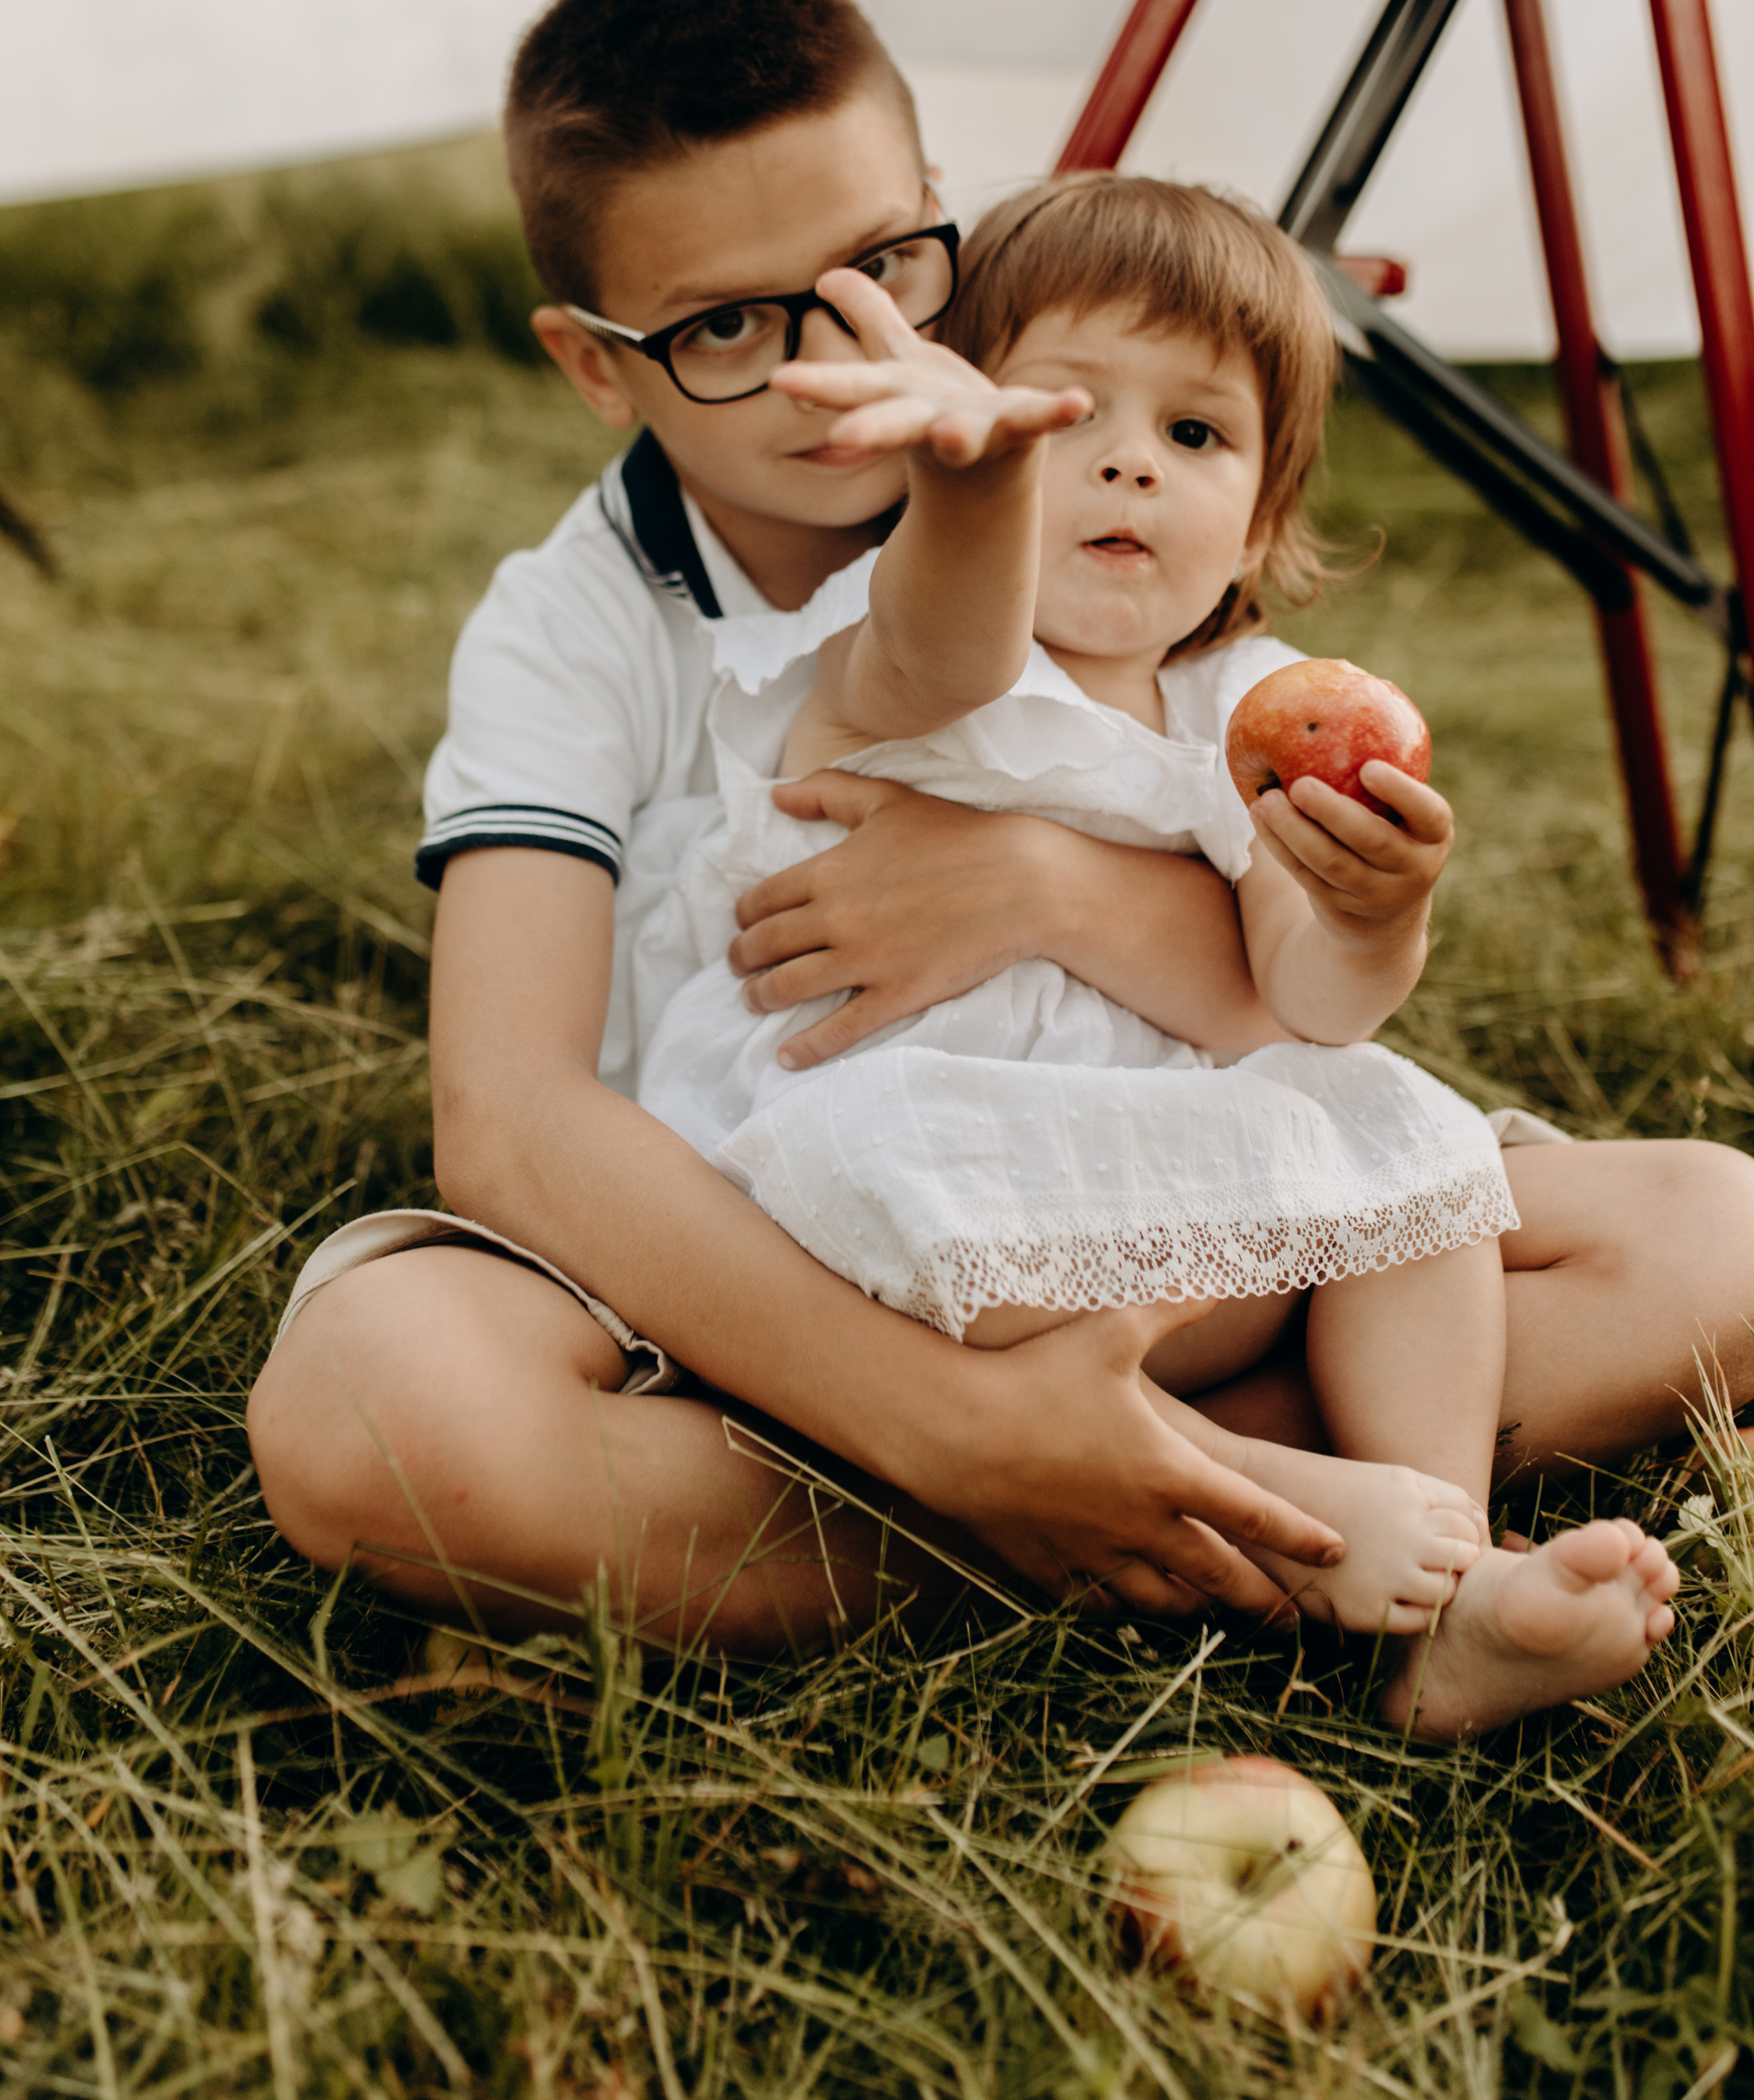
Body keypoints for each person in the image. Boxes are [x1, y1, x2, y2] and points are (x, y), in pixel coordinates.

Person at [246, 0, 1753, 1687]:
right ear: (597, 366)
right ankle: (1158, 1498)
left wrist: (1048, 883)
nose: (835, 359)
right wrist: (954, 1429)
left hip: (1149, 1178)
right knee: (380, 1409)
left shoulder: (1116, 516)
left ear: (936, 219)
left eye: (878, 268)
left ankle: (1133, 1505)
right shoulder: (589, 620)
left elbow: (1289, 999)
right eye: (728, 326)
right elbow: (507, 1124)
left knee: (1711, 1228)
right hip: (764, 1268)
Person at [629, 173, 1679, 1733]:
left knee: (1410, 1141)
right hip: (865, 1188)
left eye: (1194, 435)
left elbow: (1304, 1002)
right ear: (948, 446)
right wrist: (969, 486)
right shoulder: (896, 645)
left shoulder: (1246, 706)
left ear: (1254, 519)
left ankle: (1440, 1580)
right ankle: (1258, 1490)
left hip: (1131, 1196)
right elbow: (945, 624)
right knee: (894, 1172)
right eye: (1064, 417)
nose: (1126, 459)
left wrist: (1371, 910)